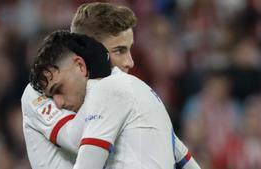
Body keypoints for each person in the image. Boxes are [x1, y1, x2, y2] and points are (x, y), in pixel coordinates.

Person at [21, 2, 199, 169]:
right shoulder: (37, 91)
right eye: (119, 51)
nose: (130, 62)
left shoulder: (118, 89)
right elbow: (75, 140)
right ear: (93, 53)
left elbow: (176, 150)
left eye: (129, 50)